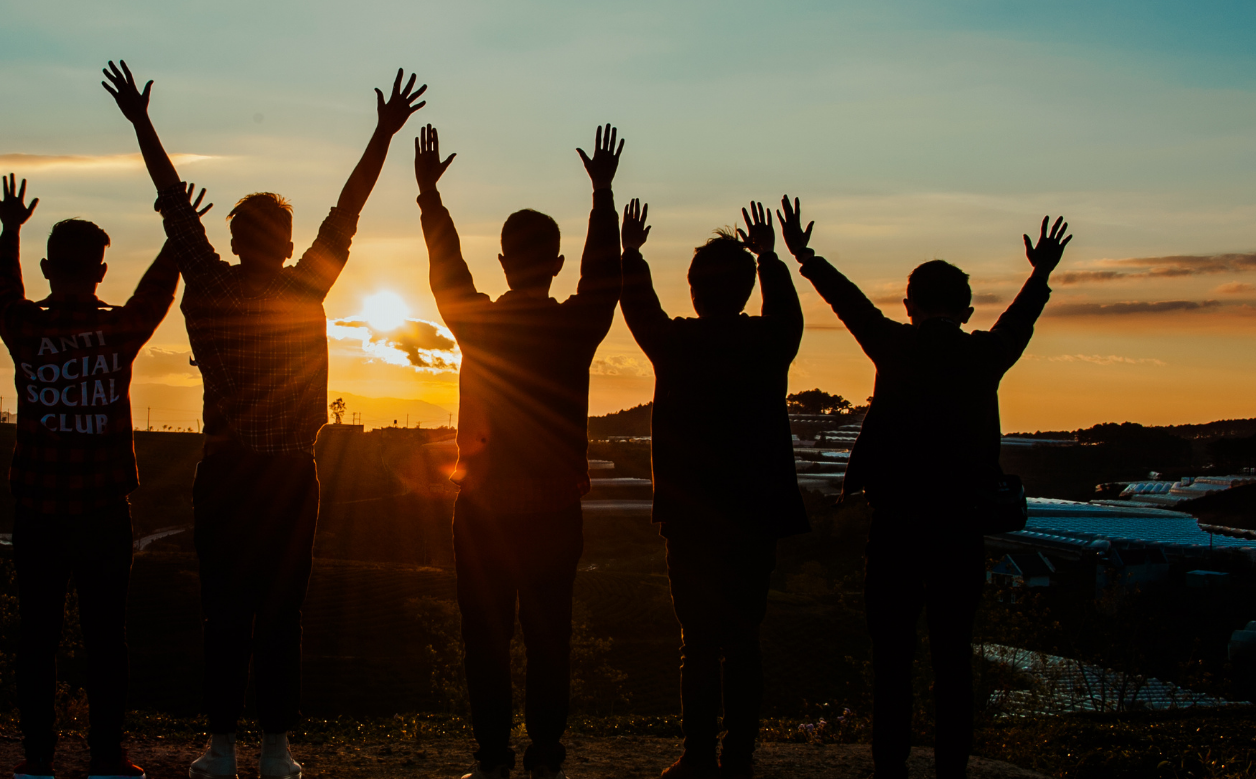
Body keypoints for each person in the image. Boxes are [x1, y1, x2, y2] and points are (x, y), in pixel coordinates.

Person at [120, 60, 426, 779]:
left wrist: (141, 122)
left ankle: (221, 750)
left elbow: (171, 202)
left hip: (226, 473)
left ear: (233, 241)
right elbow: (347, 212)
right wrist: (382, 133)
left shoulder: (211, 285)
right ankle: (278, 751)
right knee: (281, 616)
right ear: (286, 243)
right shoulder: (305, 288)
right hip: (291, 475)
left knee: (224, 612)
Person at [786, 199, 1071, 779]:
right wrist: (1040, 273)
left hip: (895, 523)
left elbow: (849, 304)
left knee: (891, 654)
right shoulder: (984, 354)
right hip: (961, 525)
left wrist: (806, 257)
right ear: (966, 310)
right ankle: (951, 771)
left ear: (908, 305)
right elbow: (1020, 319)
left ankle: (889, 767)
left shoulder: (895, 345)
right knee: (953, 654)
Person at [413, 123, 622, 779]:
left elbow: (447, 270)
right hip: (556, 511)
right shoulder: (575, 326)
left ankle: (493, 760)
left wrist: (430, 199)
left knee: (486, 642)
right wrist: (603, 197)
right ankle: (547, 759)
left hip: (481, 511)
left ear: (503, 263)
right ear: (555, 263)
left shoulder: (477, 322)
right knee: (549, 639)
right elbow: (604, 277)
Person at [0, 172, 194, 779]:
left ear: (49, 267)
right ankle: (106, 756)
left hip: (37, 509)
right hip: (103, 510)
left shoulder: (26, 330)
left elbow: (1, 287)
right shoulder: (118, 330)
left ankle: (37, 757)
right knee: (107, 638)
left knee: (38, 637)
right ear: (101, 271)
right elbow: (159, 291)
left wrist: (9, 230)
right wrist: (175, 230)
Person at [619, 200, 809, 779]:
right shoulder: (768, 344)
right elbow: (789, 316)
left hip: (691, 516)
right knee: (743, 638)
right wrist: (771, 258)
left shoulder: (677, 346)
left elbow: (639, 308)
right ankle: (740, 757)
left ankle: (698, 755)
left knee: (697, 640)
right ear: (748, 290)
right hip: (754, 515)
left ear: (695, 291)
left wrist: (631, 253)